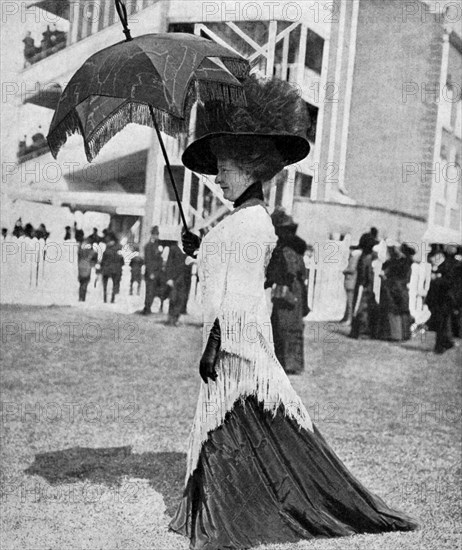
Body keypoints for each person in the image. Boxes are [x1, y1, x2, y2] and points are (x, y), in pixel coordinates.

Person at [170, 75, 418, 549]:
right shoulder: (243, 220)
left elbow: (238, 295)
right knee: (249, 425)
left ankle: (245, 506)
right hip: (234, 341)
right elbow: (224, 266)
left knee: (240, 424)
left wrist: (216, 344)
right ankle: (247, 495)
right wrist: (199, 247)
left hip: (236, 343)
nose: (217, 178)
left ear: (251, 167)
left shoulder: (249, 222)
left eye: (224, 168)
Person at [265, 207, 310, 374]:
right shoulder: (296, 250)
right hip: (296, 291)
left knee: (284, 326)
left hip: (287, 290)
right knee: (291, 326)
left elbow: (286, 273)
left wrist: (270, 281)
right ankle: (291, 363)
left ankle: (286, 362)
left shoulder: (285, 251)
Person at [375, 242, 414, 341]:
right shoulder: (407, 262)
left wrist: (385, 277)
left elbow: (393, 276)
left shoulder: (399, 263)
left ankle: (395, 335)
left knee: (394, 311)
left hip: (395, 288)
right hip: (402, 288)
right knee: (402, 312)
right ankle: (404, 335)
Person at [425, 247, 457, 353]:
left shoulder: (447, 266)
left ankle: (439, 347)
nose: (432, 260)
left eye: (433, 258)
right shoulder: (442, 266)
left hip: (445, 299)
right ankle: (447, 342)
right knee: (444, 323)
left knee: (441, 323)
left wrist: (436, 279)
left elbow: (449, 282)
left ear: (439, 256)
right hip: (442, 299)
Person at [350, 234, 379, 339]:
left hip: (362, 285)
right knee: (361, 309)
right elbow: (365, 274)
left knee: (359, 308)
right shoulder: (366, 259)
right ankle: (360, 331)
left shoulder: (363, 257)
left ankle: (358, 331)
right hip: (365, 286)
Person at [164, 239, 188, 326]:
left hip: (183, 279)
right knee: (173, 298)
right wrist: (169, 278)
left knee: (180, 299)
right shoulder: (173, 248)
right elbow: (169, 263)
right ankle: (170, 319)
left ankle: (176, 318)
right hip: (174, 278)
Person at [140, 226, 164, 314]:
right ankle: (146, 308)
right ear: (152, 235)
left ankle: (149, 307)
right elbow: (148, 260)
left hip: (158, 272)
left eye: (157, 234)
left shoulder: (157, 245)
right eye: (155, 234)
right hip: (151, 272)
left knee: (154, 291)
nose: (156, 236)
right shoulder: (148, 246)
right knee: (149, 291)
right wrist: (151, 272)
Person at [340, 244, 362, 326]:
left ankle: (349, 319)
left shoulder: (354, 257)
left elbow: (351, 269)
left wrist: (344, 270)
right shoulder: (356, 256)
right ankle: (346, 317)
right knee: (349, 301)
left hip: (350, 281)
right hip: (352, 281)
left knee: (350, 302)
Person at [100, 234, 124, 304]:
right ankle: (112, 299)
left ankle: (105, 299)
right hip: (115, 270)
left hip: (107, 269)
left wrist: (101, 267)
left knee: (105, 285)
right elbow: (122, 260)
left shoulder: (107, 249)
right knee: (114, 284)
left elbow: (103, 260)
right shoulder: (119, 249)